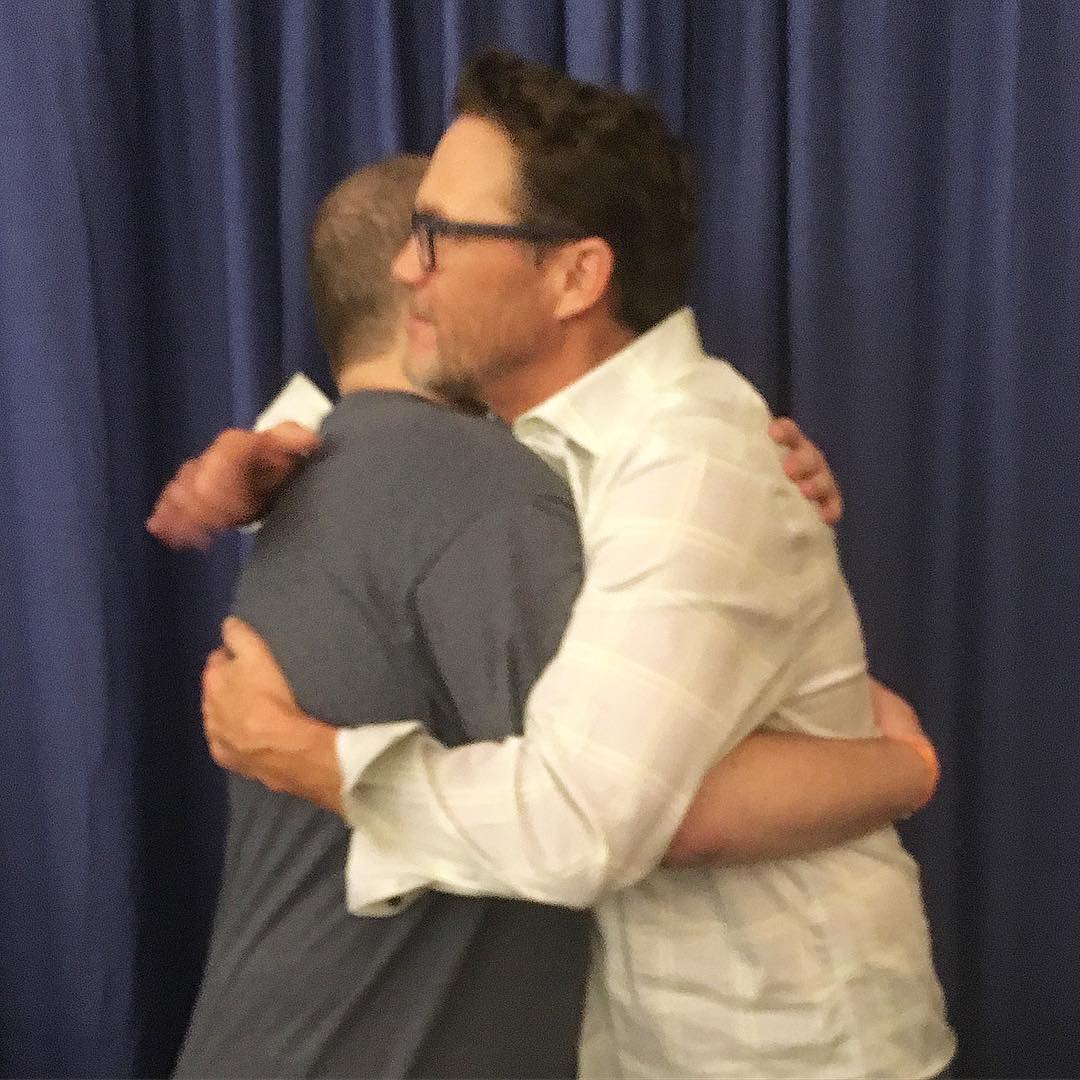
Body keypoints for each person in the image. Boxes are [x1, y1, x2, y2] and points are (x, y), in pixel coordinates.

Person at [163, 53, 955, 1078]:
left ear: (577, 276)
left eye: (441, 235)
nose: (406, 269)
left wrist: (311, 759)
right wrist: (266, 467)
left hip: (782, 1047)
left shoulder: (690, 463)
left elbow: (586, 818)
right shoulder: (542, 456)